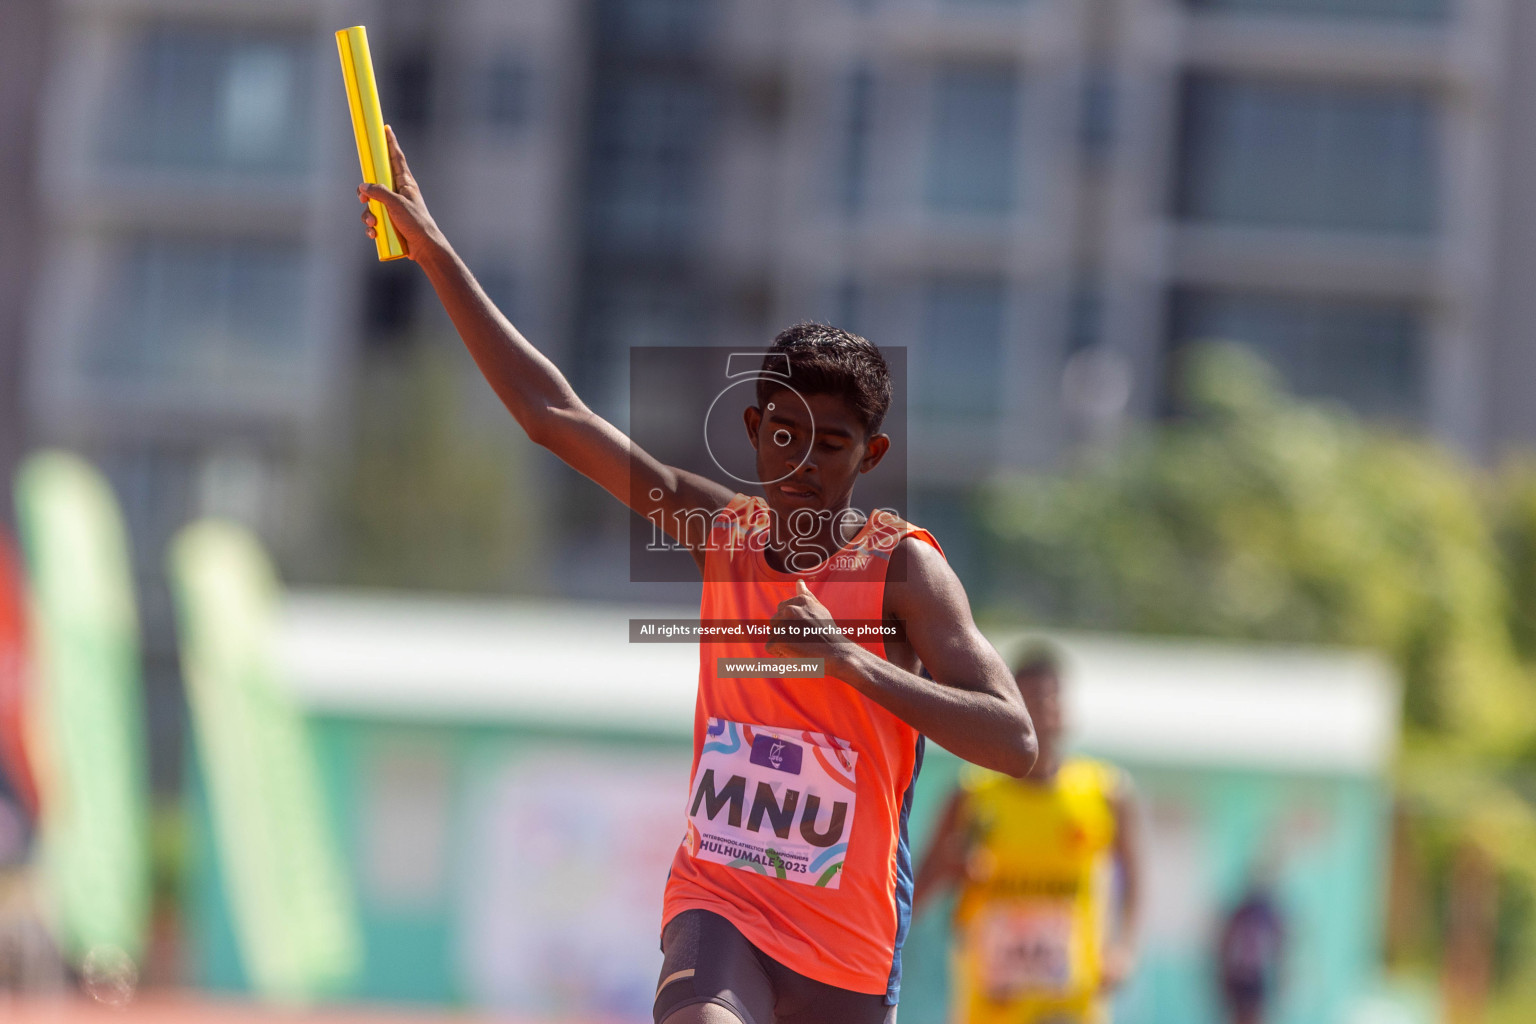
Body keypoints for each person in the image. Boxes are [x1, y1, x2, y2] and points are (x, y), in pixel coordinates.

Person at [356, 127, 1036, 1024]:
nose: (802, 464)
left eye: (830, 447)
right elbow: (552, 414)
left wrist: (853, 663)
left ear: (868, 456)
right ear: (754, 430)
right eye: (784, 437)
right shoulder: (721, 530)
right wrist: (437, 252)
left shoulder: (903, 571)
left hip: (847, 946)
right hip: (720, 907)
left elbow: (1014, 743)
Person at [913, 647, 1142, 1024]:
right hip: (990, 1004)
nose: (1045, 710)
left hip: (1071, 1002)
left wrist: (1124, 949)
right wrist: (950, 870)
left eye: (1053, 698)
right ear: (1012, 708)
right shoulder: (972, 795)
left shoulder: (1106, 792)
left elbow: (1133, 877)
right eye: (1032, 699)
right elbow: (915, 893)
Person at [1217, 880, 1285, 1024]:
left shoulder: (1262, 914)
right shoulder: (1245, 913)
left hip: (1252, 976)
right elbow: (1225, 943)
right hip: (1243, 976)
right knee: (1243, 1012)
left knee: (1249, 1012)